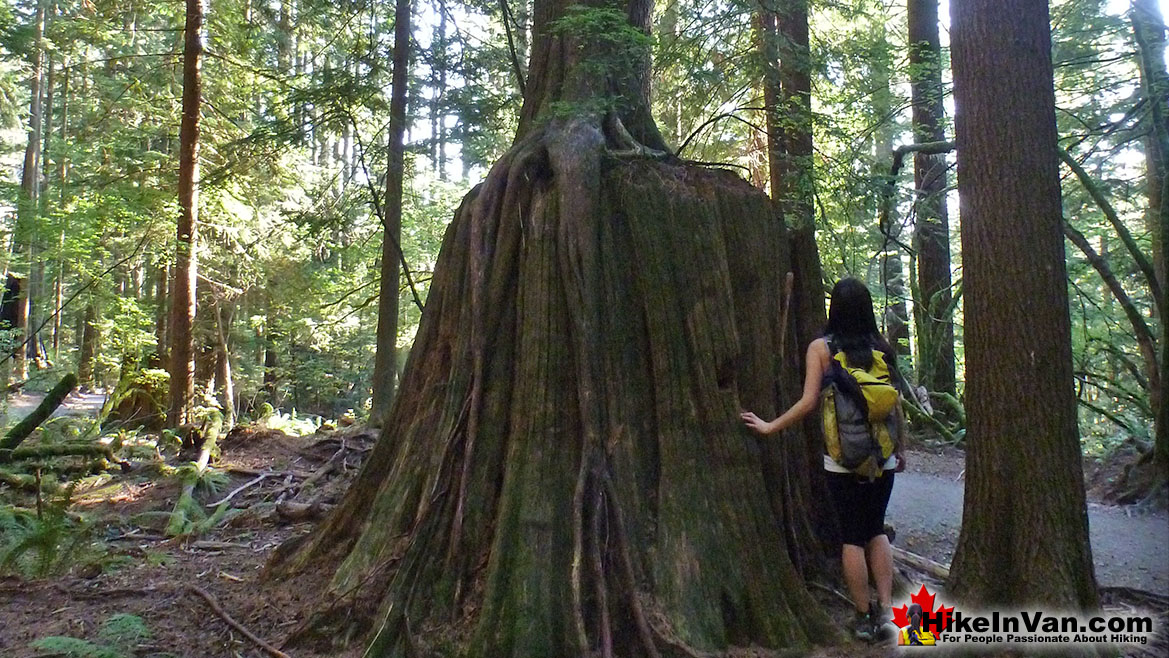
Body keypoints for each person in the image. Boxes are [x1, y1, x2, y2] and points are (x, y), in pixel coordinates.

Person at [740, 277, 906, 642]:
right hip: (883, 457)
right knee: (876, 530)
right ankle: (887, 612)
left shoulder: (821, 348)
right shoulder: (882, 347)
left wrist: (770, 427)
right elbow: (895, 405)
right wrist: (901, 449)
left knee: (852, 537)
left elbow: (808, 402)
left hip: (841, 459)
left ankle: (863, 616)